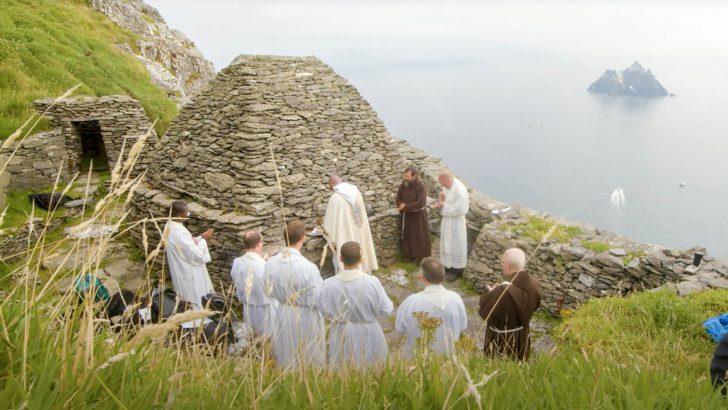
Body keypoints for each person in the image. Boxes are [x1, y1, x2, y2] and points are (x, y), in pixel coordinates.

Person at [318, 241, 393, 367]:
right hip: (369, 333)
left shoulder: (328, 284)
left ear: (340, 259)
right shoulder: (372, 282)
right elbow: (386, 309)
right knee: (372, 370)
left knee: (343, 371)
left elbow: (322, 309)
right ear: (361, 259)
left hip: (341, 333)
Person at [264, 220, 325, 368]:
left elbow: (267, 290)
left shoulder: (271, 263)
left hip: (283, 311)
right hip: (305, 316)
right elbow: (318, 297)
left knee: (287, 351)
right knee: (307, 352)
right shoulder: (308, 267)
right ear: (303, 238)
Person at [395, 257, 468, 358]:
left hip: (417, 359)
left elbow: (400, 329)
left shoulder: (411, 302)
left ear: (422, 278)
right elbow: (462, 327)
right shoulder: (456, 299)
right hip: (448, 358)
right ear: (443, 276)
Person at [478, 248, 541, 361]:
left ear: (508, 265)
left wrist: (492, 293)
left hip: (502, 340)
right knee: (518, 367)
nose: (502, 265)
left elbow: (486, 312)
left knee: (499, 370)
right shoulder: (534, 284)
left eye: (503, 262)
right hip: (522, 336)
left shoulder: (501, 292)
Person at [163, 200, 214, 309]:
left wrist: (199, 237)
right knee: (195, 295)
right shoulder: (179, 231)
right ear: (179, 214)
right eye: (186, 213)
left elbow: (185, 246)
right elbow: (196, 255)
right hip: (189, 271)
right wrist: (204, 240)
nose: (188, 215)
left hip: (179, 267)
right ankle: (199, 313)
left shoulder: (169, 226)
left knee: (185, 293)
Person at [323, 174, 378, 273]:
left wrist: (325, 231)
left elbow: (328, 225)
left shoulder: (336, 198)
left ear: (332, 183)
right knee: (361, 249)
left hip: (345, 235)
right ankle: (364, 271)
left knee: (347, 252)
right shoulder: (356, 192)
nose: (330, 188)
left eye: (329, 185)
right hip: (359, 229)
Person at [230, 231, 279, 338]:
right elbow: (272, 288)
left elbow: (239, 276)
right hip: (265, 309)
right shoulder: (264, 265)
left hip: (248, 307)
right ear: (258, 244)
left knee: (252, 336)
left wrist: (264, 260)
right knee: (268, 338)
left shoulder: (237, 262)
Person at [434, 170, 469, 282]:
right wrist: (441, 200)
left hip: (456, 223)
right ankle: (447, 266)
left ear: (448, 180)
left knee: (456, 246)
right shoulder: (448, 186)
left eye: (442, 183)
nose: (442, 186)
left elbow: (461, 209)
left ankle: (456, 271)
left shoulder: (460, 191)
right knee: (447, 244)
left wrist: (444, 205)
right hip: (448, 221)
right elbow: (444, 196)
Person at [396, 166, 431, 263]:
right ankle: (409, 255)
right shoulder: (405, 184)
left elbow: (421, 202)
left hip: (418, 216)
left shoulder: (420, 186)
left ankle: (420, 257)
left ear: (414, 176)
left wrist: (406, 207)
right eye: (405, 176)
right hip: (407, 216)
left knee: (419, 236)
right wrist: (400, 204)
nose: (406, 178)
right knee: (408, 235)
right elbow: (398, 196)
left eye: (408, 177)